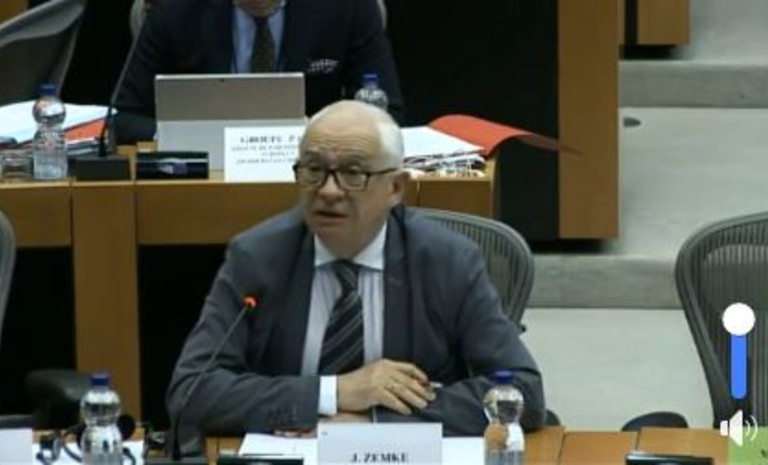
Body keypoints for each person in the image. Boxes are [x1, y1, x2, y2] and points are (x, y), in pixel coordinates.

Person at [166, 100, 545, 452]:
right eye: (314, 170)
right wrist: (335, 392)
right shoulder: (258, 257)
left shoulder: (447, 262)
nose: (329, 191)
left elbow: (522, 394)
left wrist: (375, 421)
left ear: (395, 187)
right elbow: (190, 392)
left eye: (353, 173)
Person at [115, 0, 403, 144]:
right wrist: (193, 138)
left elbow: (388, 111)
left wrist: (320, 135)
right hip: (204, 174)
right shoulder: (174, 9)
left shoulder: (348, 6)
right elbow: (126, 119)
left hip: (312, 169)